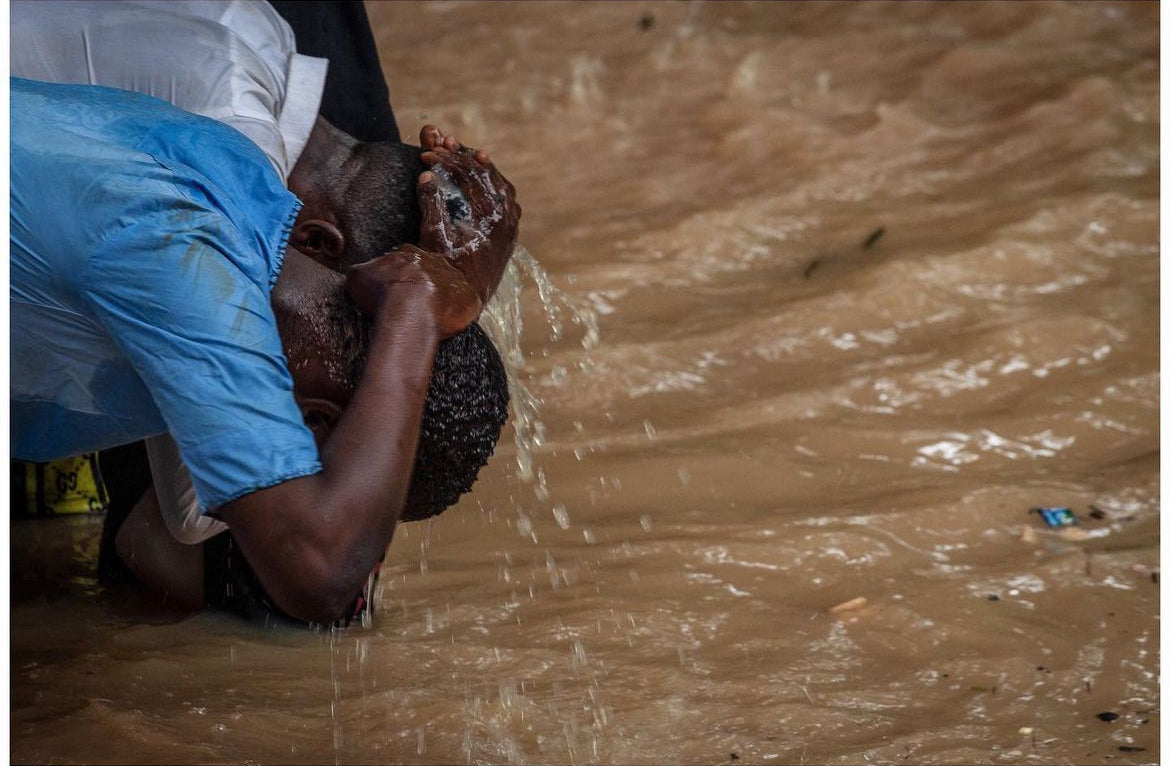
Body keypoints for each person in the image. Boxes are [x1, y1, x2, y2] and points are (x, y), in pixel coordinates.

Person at [11, 0, 512, 580]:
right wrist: (417, 309)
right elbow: (308, 563)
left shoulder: (230, 150)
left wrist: (434, 291)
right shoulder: (186, 243)